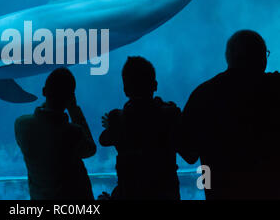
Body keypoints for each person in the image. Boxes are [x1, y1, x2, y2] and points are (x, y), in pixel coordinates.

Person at [177, 30, 280, 199]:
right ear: (263, 58)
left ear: (228, 57)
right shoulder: (276, 88)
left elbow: (188, 153)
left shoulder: (204, 95)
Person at [99, 56, 180, 200]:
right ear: (155, 85)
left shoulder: (118, 118)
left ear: (125, 90)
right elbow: (190, 153)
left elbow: (104, 140)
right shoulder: (170, 114)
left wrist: (113, 125)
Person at [15, 68, 96, 200]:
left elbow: (44, 125)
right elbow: (90, 149)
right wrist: (74, 110)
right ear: (71, 98)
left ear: (44, 91)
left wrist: (48, 104)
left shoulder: (21, 125)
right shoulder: (73, 132)